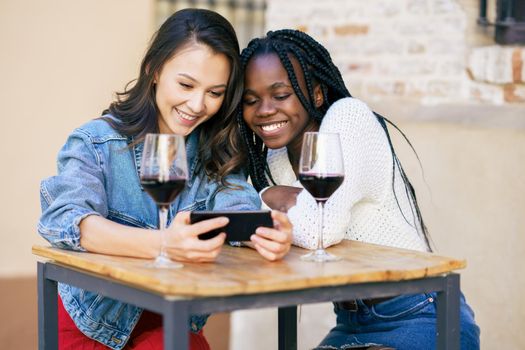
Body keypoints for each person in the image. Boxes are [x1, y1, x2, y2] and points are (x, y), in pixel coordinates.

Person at [38, 9, 292, 350]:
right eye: (186, 85)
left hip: (172, 321)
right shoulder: (95, 143)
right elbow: (65, 221)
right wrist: (163, 244)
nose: (197, 104)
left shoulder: (214, 150)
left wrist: (265, 230)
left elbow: (236, 207)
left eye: (215, 93)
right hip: (93, 326)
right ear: (154, 70)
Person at [237, 29, 479, 349]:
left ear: (318, 94)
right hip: (351, 320)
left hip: (420, 314)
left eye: (281, 95)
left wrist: (268, 199)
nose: (264, 110)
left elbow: (317, 230)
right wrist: (266, 198)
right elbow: (248, 224)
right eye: (251, 100)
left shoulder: (348, 117)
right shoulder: (276, 155)